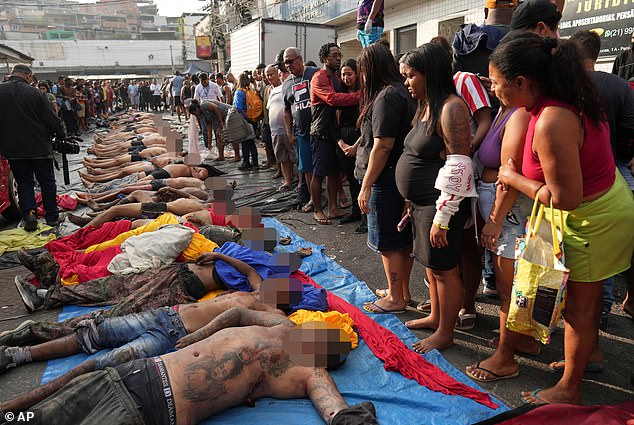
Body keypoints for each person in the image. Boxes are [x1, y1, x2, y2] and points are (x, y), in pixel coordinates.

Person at [485, 32, 634, 405]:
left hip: (593, 219)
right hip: (599, 205)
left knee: (579, 310)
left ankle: (570, 388)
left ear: (521, 83)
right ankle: (582, 359)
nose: (492, 90)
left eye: (495, 82)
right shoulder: (558, 100)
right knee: (582, 302)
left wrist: (512, 177)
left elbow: (566, 198)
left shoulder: (553, 119)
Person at [1, 307, 374, 425]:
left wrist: (347, 418)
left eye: (327, 347)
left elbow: (332, 406)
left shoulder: (308, 372)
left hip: (150, 406)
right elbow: (240, 310)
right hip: (134, 373)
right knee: (34, 418)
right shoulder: (283, 326)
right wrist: (203, 333)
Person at [393, 44, 475, 353]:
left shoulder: (451, 107)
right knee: (430, 265)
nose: (407, 83)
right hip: (422, 204)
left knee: (444, 268)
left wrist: (443, 216)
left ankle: (445, 332)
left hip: (440, 204)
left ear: (432, 74)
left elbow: (460, 163)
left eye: (411, 76)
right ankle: (435, 316)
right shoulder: (426, 104)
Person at [353, 43, 415, 316]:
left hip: (384, 179)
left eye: (362, 69)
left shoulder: (386, 97)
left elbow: (382, 146)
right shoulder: (397, 92)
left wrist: (365, 186)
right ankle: (400, 291)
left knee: (387, 241)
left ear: (370, 69)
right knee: (400, 239)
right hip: (396, 177)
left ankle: (396, 298)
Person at [0, 64, 66, 230]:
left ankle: (30, 215)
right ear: (28, 76)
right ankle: (52, 216)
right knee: (47, 182)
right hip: (40, 148)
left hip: (14, 149)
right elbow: (52, 120)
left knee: (24, 182)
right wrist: (61, 135)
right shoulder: (36, 93)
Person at [309, 43, 361, 225]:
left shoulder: (338, 79)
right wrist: (360, 96)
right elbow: (333, 99)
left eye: (339, 55)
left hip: (335, 135)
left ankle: (333, 208)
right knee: (319, 173)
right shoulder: (318, 78)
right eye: (334, 55)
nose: (338, 58)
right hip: (321, 133)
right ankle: (318, 210)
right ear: (324, 58)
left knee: (334, 174)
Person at [282, 47, 320, 209]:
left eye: (291, 61)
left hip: (320, 131)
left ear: (300, 58)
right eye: (286, 63)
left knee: (329, 168)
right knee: (307, 168)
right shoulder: (287, 84)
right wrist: (289, 132)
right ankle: (313, 199)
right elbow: (287, 111)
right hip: (301, 133)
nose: (288, 65)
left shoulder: (315, 74)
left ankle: (338, 198)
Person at [266, 64, 297, 191]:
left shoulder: (291, 87)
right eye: (267, 75)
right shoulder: (272, 90)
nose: (269, 77)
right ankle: (287, 181)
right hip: (276, 131)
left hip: (289, 130)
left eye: (271, 74)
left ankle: (300, 183)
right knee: (283, 158)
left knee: (295, 157)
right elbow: (270, 108)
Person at [234, 72, 260, 170]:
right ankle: (255, 163)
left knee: (245, 142)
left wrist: (245, 116)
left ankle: (246, 162)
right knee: (252, 142)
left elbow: (238, 108)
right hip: (253, 118)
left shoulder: (239, 92)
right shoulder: (251, 90)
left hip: (244, 119)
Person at [194, 73, 223, 149]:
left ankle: (218, 145)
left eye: (204, 81)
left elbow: (220, 97)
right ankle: (208, 146)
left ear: (208, 79)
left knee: (216, 129)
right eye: (201, 82)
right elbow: (196, 100)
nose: (203, 83)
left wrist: (222, 107)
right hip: (203, 110)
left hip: (214, 109)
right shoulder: (198, 87)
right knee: (205, 130)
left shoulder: (214, 85)